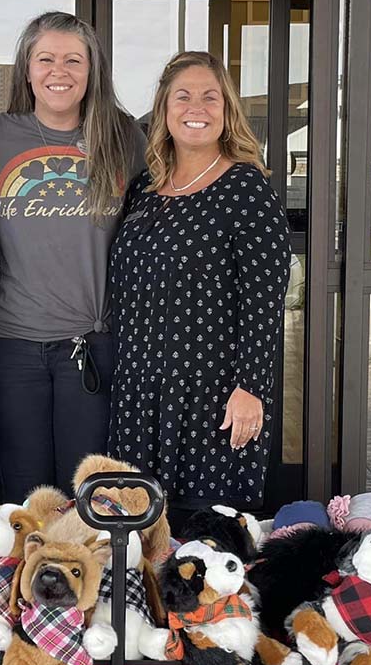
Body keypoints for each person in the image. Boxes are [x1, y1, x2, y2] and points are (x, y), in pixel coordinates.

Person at [0, 11, 145, 502]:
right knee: (27, 495)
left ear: (92, 72)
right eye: (45, 59)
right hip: (12, 345)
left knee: (89, 493)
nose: (58, 71)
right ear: (27, 69)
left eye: (72, 60)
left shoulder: (124, 138)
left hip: (93, 345)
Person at [108, 50, 291, 526]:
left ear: (227, 111)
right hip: (140, 393)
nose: (197, 107)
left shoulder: (246, 189)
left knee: (199, 537)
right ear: (165, 111)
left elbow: (265, 301)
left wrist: (251, 388)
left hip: (210, 396)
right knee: (137, 529)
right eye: (183, 97)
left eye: (211, 97)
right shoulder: (144, 188)